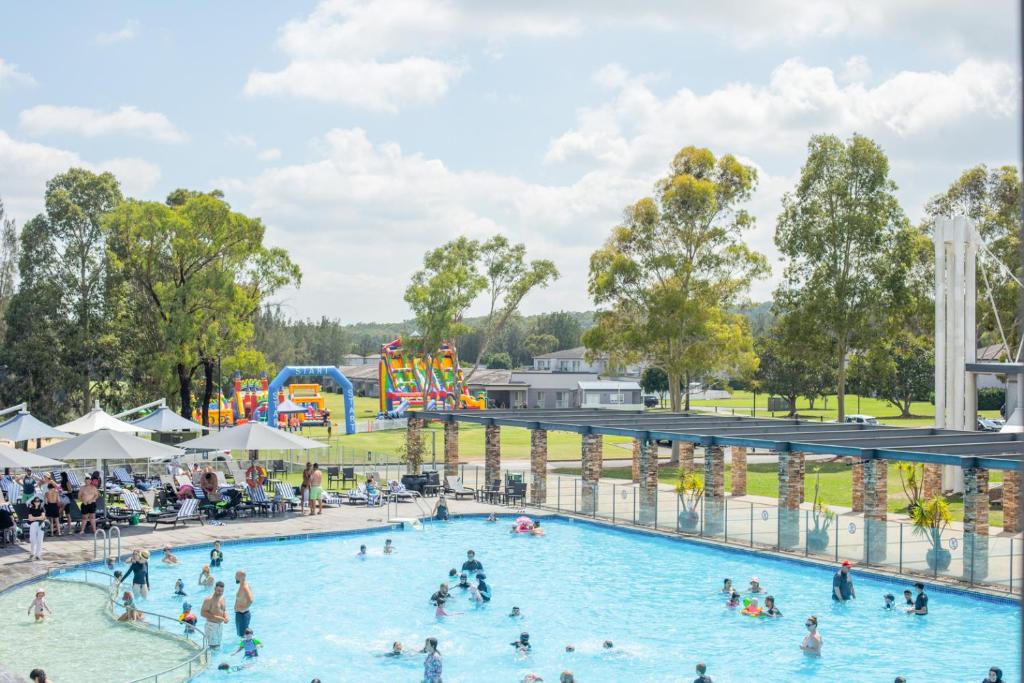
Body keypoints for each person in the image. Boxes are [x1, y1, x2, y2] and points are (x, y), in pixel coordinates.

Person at [201, 581, 229, 649]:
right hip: (211, 626)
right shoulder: (209, 600)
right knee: (212, 647)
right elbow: (203, 613)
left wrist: (226, 617)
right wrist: (218, 618)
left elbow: (224, 610)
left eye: (222, 591)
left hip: (219, 626)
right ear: (214, 588)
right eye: (218, 591)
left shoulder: (222, 598)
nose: (220, 593)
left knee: (218, 646)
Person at [234, 571, 254, 637]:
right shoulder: (242, 585)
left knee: (244, 636)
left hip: (243, 615)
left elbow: (251, 600)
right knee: (241, 636)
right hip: (240, 614)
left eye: (236, 575)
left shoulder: (245, 587)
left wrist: (243, 609)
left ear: (241, 577)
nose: (235, 577)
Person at [26, 496, 45, 560]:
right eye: (36, 501)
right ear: (33, 502)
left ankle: (38, 554)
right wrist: (38, 518)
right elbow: (29, 518)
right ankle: (32, 553)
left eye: (38, 501)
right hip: (33, 524)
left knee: (40, 540)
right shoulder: (31, 509)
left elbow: (43, 517)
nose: (37, 502)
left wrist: (34, 518)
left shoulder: (42, 508)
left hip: (41, 524)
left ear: (39, 502)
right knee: (32, 539)